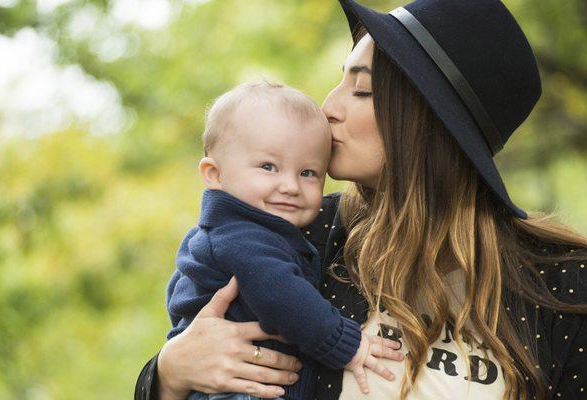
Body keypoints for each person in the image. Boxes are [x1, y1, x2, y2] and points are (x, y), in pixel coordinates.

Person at [135, 0, 587, 399]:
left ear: (428, 123)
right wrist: (168, 376)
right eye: (339, 81)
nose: (328, 106)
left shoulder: (563, 286)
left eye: (362, 90)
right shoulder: (302, 230)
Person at [166, 82, 404, 400]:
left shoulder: (228, 231)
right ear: (214, 174)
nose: (290, 185)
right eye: (268, 167)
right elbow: (283, 296)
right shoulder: (242, 236)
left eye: (308, 173)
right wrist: (348, 345)